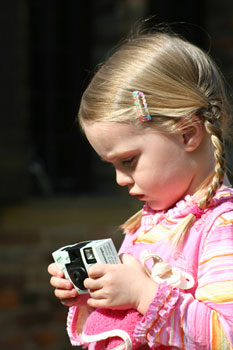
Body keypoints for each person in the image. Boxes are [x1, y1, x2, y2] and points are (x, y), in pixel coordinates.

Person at [48, 28, 233, 349]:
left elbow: (227, 336)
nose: (120, 179)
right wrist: (94, 293)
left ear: (188, 134)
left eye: (129, 160)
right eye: (112, 165)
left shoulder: (221, 227)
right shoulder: (151, 223)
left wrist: (144, 293)